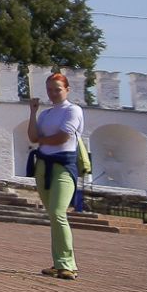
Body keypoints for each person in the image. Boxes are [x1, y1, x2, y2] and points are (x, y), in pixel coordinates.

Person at [29, 70, 85, 280]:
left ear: (67, 90)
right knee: (53, 215)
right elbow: (33, 136)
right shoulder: (46, 114)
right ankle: (58, 262)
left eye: (57, 89)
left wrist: (43, 140)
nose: (53, 93)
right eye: (50, 90)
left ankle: (67, 264)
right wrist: (33, 112)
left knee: (57, 212)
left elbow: (63, 138)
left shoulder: (73, 110)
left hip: (63, 165)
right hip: (43, 166)